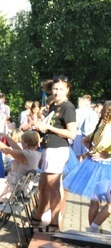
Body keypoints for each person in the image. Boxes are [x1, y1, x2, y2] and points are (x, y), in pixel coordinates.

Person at [0, 131, 42, 231]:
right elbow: (16, 149)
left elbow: (7, 151)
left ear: (26, 143)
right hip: (14, 187)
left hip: (12, 190)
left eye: (22, 142)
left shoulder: (28, 154)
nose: (21, 145)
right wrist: (7, 137)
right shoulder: (34, 154)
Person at [32, 75, 77, 231]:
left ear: (67, 89)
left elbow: (72, 134)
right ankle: (38, 217)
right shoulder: (54, 106)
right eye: (55, 89)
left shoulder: (67, 107)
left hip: (58, 150)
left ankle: (54, 222)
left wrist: (49, 128)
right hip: (48, 148)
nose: (57, 92)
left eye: (60, 89)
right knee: (43, 186)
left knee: (53, 186)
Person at [64, 100, 111, 233]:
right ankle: (93, 228)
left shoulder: (101, 128)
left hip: (92, 166)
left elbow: (84, 140)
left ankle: (93, 231)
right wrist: (106, 155)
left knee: (95, 202)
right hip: (106, 167)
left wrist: (91, 151)